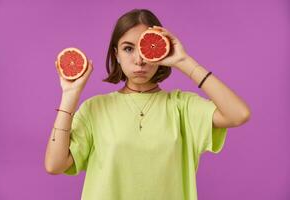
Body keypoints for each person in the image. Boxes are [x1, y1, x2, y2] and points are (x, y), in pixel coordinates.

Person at [44, 8, 251, 200]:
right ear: (116, 54)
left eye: (147, 48)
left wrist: (183, 61)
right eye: (128, 49)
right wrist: (70, 95)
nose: (139, 60)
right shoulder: (94, 108)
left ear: (161, 52)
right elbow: (54, 165)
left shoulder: (182, 106)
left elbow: (238, 114)